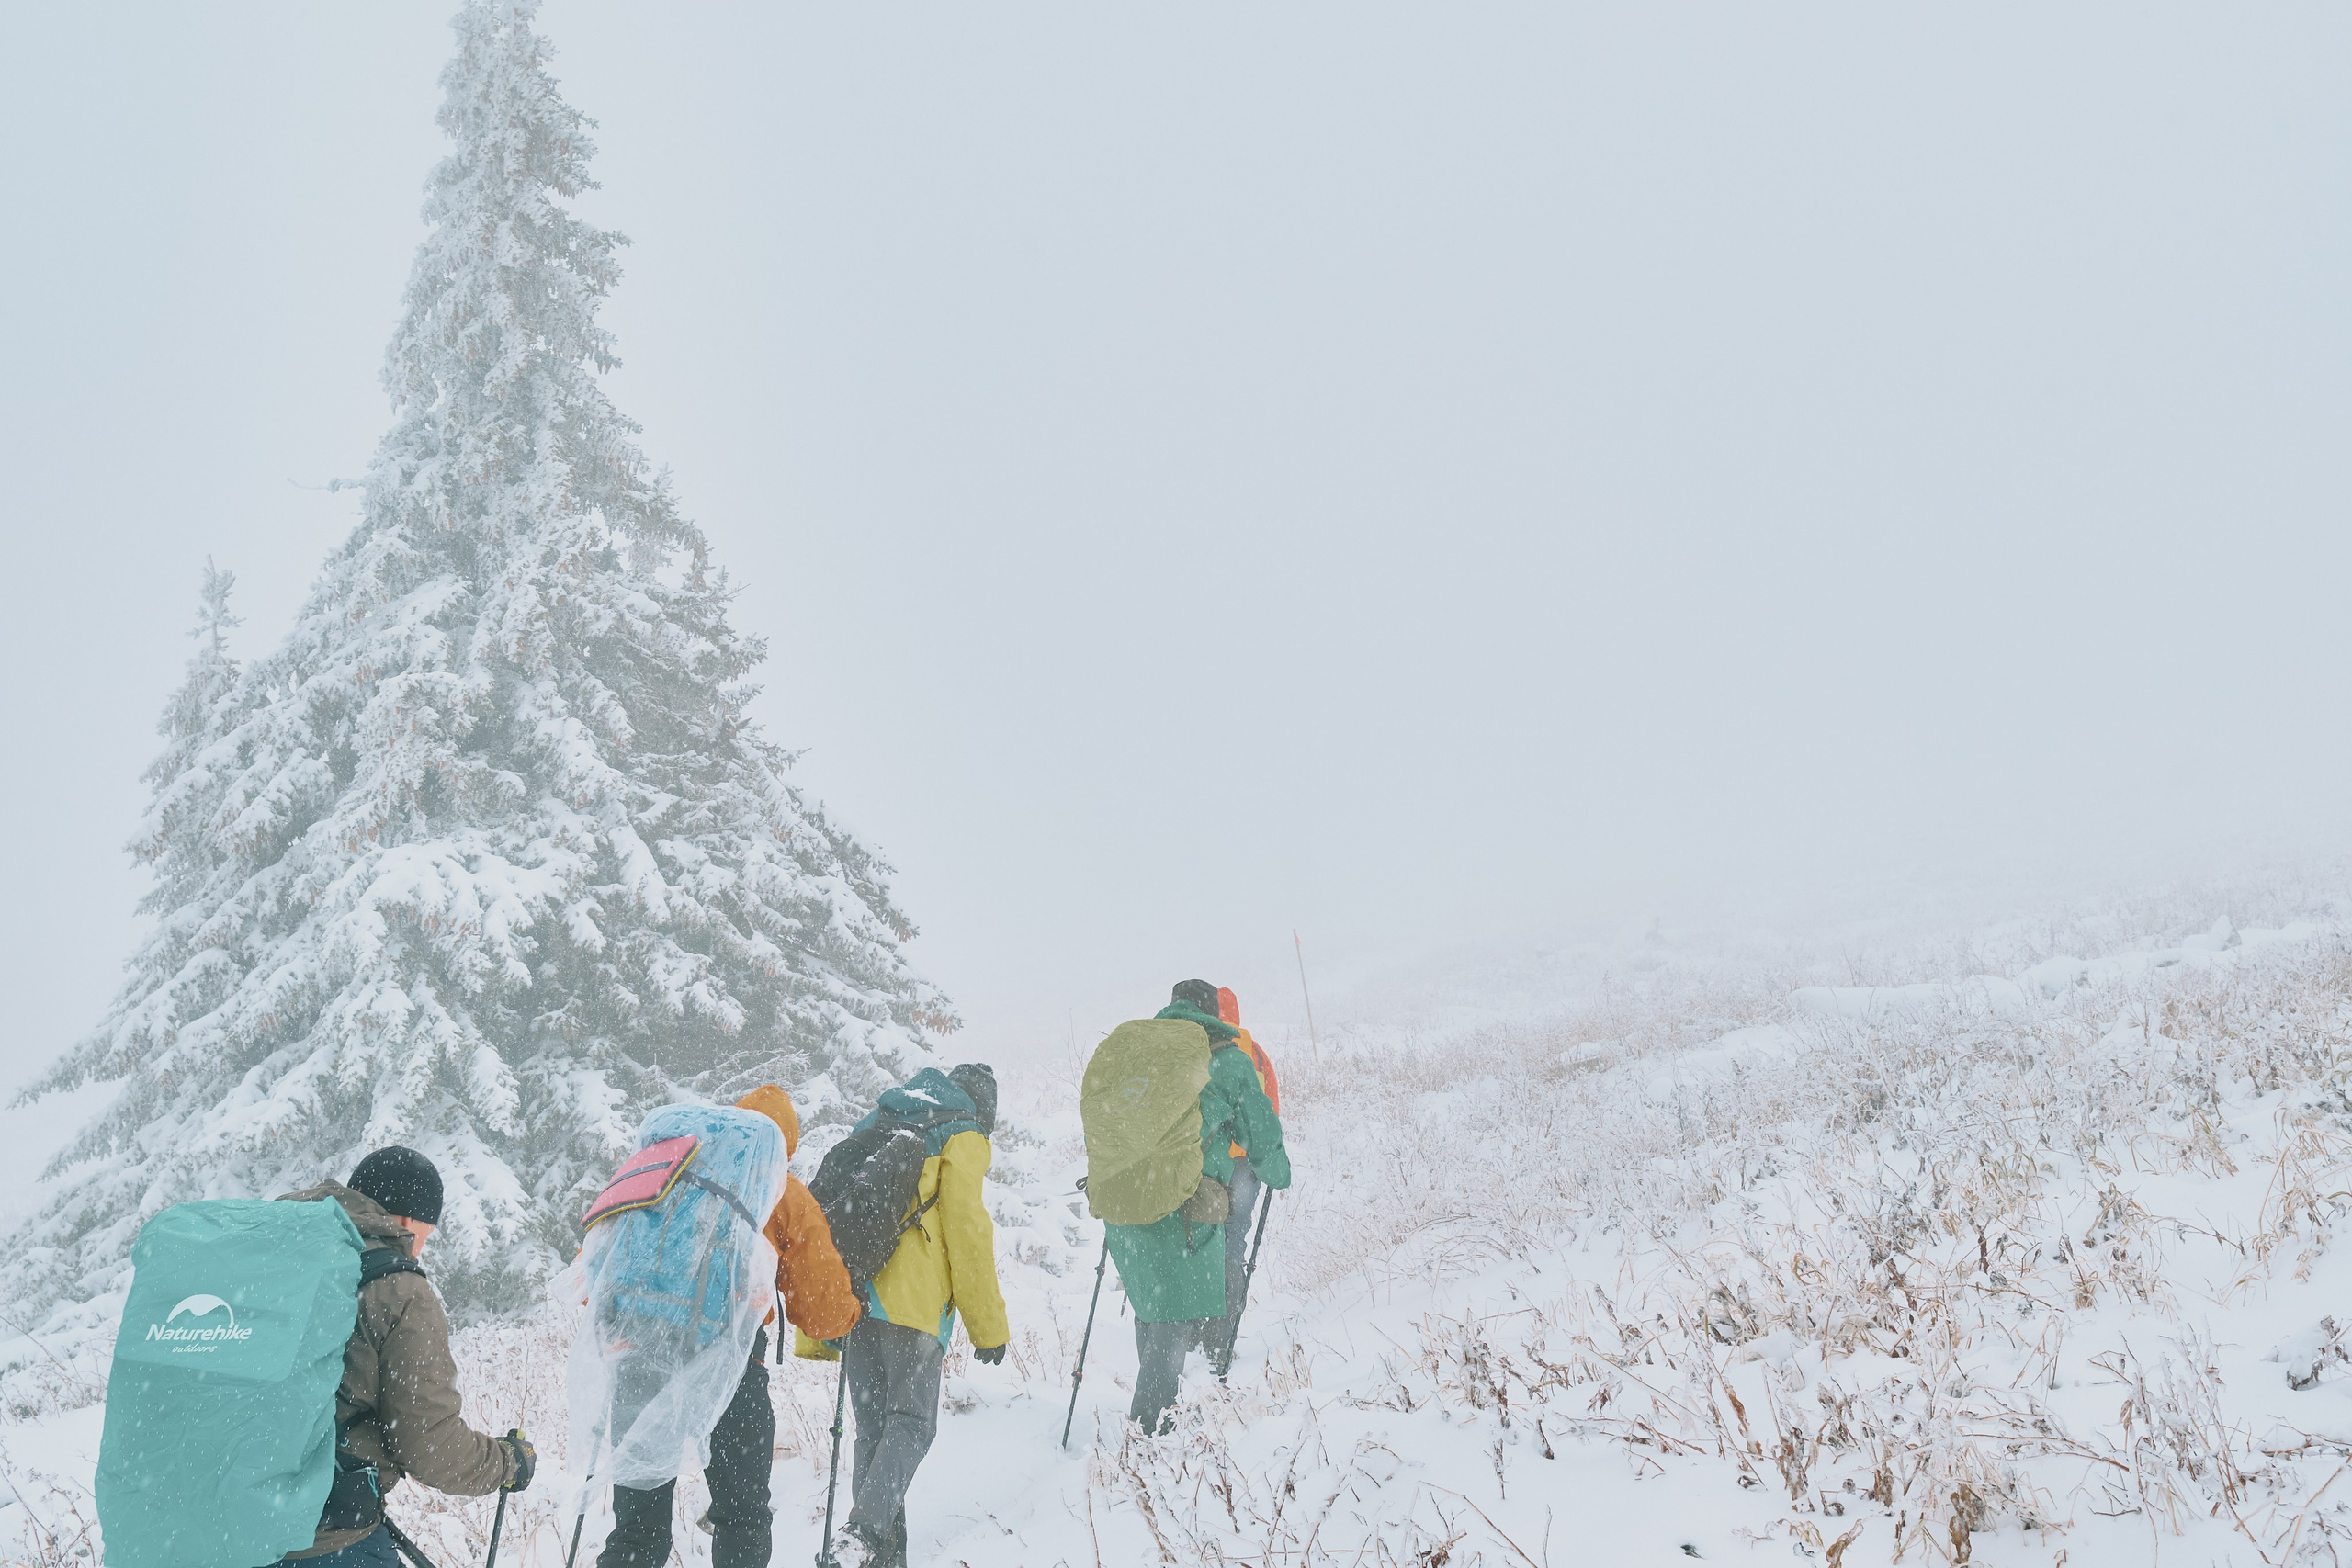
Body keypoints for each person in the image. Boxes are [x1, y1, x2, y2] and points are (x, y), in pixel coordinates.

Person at [595, 1088, 860, 1568]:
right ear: (785, 1145)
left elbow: (601, 1263)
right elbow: (820, 1309)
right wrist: (849, 1316)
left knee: (636, 1529)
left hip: (640, 1353)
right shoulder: (778, 1185)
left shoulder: (668, 1165)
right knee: (743, 1517)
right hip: (730, 1365)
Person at [277, 1147, 533, 1567]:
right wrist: (507, 1462)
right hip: (321, 1536)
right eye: (427, 1233)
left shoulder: (271, 1254)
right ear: (410, 1221)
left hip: (214, 1518)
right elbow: (429, 1446)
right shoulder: (397, 1289)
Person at [821, 1064, 1010, 1568]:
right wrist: (988, 1326)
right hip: (913, 1302)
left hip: (858, 1291)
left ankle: (874, 1557)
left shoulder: (882, 1118)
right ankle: (862, 1535)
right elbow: (968, 1229)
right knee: (910, 1425)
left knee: (874, 1431)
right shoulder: (961, 1134)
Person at [1106, 980, 1289, 1437]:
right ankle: (1151, 1435)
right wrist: (1278, 1172)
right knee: (1186, 1293)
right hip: (1188, 1197)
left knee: (1152, 1297)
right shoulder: (1231, 1059)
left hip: (1128, 1195)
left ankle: (1152, 1419)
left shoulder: (1143, 1055)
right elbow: (1265, 1137)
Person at [1200, 987, 1282, 1377]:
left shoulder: (1200, 1048)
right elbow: (1271, 1111)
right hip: (1246, 1166)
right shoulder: (1255, 1054)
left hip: (1208, 1163)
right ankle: (1222, 1337)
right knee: (1234, 1243)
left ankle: (1194, 1332)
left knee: (1202, 1238)